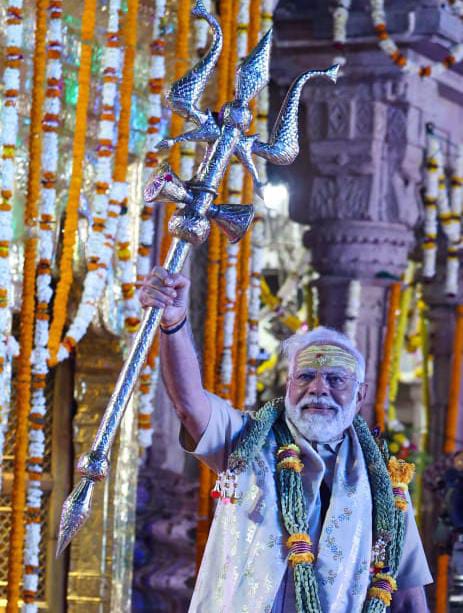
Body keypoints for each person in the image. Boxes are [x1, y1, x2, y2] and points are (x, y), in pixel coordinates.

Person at [140, 266, 433, 613]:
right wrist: (174, 323)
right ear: (289, 384)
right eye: (306, 376)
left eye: (336, 379)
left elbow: (408, 594)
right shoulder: (249, 441)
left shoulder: (384, 480)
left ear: (359, 395)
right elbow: (189, 405)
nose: (318, 388)